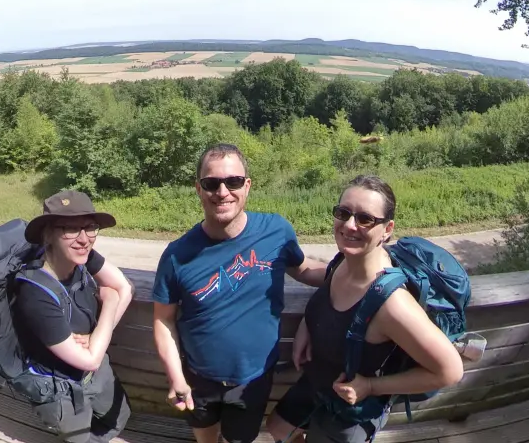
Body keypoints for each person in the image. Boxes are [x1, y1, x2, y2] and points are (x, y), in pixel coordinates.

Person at [151, 144, 334, 443]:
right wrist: (176, 377)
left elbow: (302, 269)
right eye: (211, 183)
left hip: (254, 380)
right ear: (198, 189)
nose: (222, 192)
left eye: (233, 181)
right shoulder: (176, 255)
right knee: (205, 438)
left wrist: (352, 274)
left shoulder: (276, 231)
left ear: (247, 185)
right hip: (197, 378)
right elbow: (163, 320)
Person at [266, 175, 465, 443]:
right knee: (277, 426)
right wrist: (308, 324)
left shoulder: (392, 303)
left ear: (387, 229)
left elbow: (450, 371)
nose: (350, 225)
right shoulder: (344, 261)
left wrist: (371, 386)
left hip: (351, 411)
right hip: (318, 382)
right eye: (343, 213)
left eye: (365, 219)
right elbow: (321, 283)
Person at [13, 189, 135, 442]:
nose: (83, 239)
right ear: (48, 234)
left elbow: (125, 287)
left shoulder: (83, 256)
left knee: (119, 418)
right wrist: (110, 302)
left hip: (97, 373)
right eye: (70, 228)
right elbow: (88, 360)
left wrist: (95, 338)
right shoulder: (34, 293)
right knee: (80, 438)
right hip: (61, 389)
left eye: (90, 227)